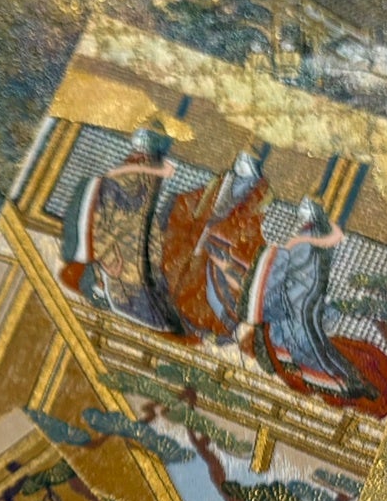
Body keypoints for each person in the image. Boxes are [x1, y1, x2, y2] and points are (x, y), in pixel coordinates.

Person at [240, 196, 377, 404]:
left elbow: (312, 259)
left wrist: (295, 246)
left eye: (307, 208)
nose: (302, 211)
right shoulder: (308, 235)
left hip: (304, 295)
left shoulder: (312, 235)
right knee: (308, 338)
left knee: (308, 337)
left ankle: (342, 382)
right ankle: (346, 381)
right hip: (301, 295)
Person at [60, 122, 184, 331]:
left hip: (140, 263)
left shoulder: (145, 193)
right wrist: (109, 261)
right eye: (146, 162)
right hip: (118, 264)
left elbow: (148, 229)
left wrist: (158, 250)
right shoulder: (112, 186)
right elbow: (97, 228)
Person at [161, 149, 271, 341]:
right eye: (240, 159)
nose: (239, 163)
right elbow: (202, 199)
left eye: (246, 161)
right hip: (203, 236)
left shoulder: (259, 194)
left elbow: (250, 226)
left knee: (208, 282)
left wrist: (220, 237)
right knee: (181, 269)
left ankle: (202, 325)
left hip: (225, 247)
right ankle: (177, 316)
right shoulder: (223, 181)